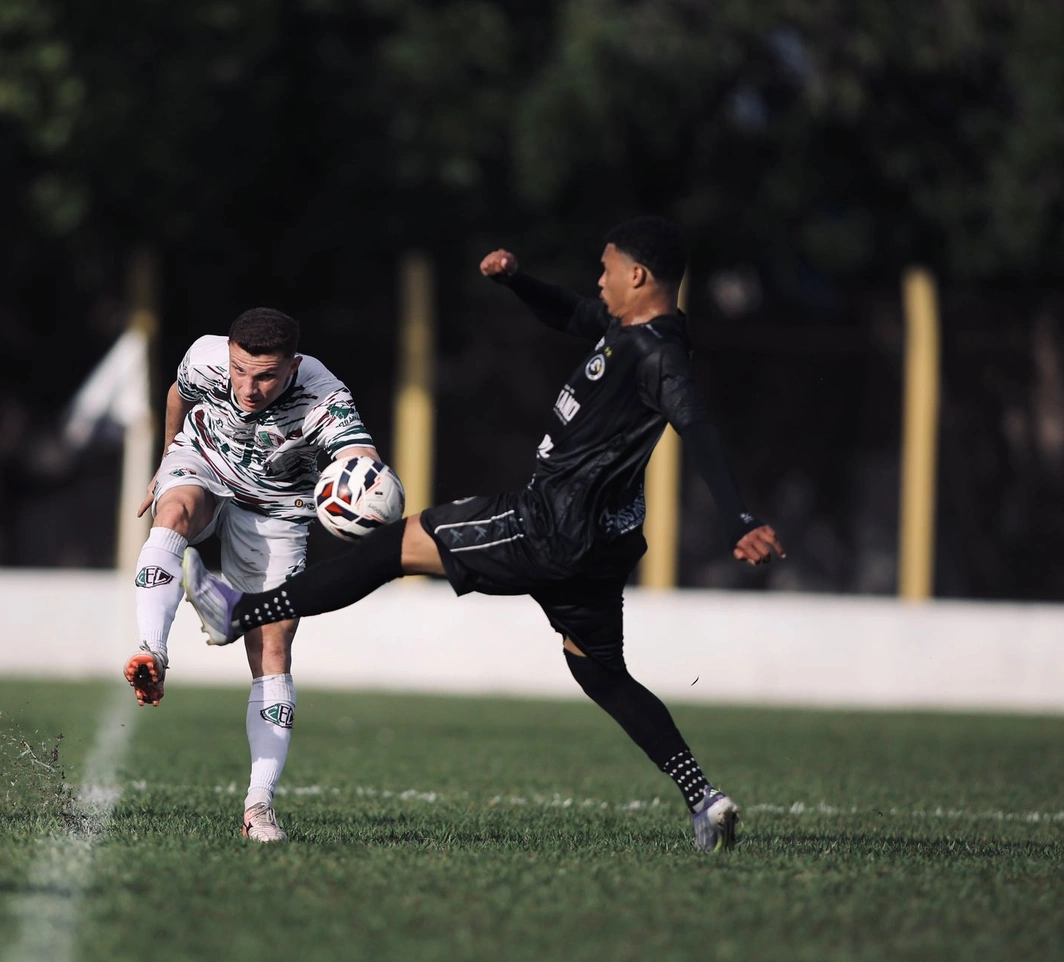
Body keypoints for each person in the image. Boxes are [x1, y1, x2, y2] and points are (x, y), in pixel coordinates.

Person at [181, 218, 785, 852]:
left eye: (608, 268)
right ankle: (703, 799)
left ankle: (239, 612)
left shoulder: (658, 355)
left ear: (639, 276)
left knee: (392, 547)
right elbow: (572, 312)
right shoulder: (630, 329)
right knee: (601, 673)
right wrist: (518, 280)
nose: (599, 279)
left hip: (548, 523)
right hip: (599, 543)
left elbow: (699, 426)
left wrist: (740, 517)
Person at [124, 307, 383, 843]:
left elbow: (357, 454)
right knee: (171, 513)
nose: (247, 387)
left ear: (293, 366)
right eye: (240, 370)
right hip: (206, 461)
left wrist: (370, 486)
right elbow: (179, 394)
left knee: (274, 646)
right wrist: (166, 459)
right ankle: (153, 650)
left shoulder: (326, 398)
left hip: (280, 504)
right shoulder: (205, 356)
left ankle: (258, 807)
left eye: (265, 375)